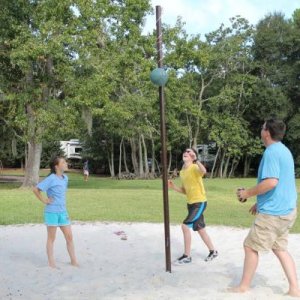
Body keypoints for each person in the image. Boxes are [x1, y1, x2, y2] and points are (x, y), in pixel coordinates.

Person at [231, 118, 300, 297]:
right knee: (280, 249)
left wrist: (247, 194)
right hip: (287, 211)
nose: (261, 130)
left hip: (274, 214)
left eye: (262, 127)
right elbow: (282, 182)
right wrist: (259, 202)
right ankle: (294, 289)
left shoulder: (271, 152)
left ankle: (243, 287)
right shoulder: (284, 150)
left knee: (250, 247)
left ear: (267, 132)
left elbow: (271, 182)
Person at [168, 148, 218, 265]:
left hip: (199, 202)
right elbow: (185, 190)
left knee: (185, 226)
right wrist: (173, 187)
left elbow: (204, 171)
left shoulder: (195, 167)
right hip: (191, 204)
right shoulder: (182, 172)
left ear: (193, 156)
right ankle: (213, 251)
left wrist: (197, 160)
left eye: (189, 152)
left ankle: (187, 256)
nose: (186, 153)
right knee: (200, 229)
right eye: (185, 151)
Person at [32, 157, 79, 268]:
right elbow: (36, 189)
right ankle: (52, 263)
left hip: (63, 212)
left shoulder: (65, 178)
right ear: (56, 166)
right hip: (52, 212)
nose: (66, 163)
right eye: (63, 162)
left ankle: (73, 261)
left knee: (69, 237)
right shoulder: (51, 178)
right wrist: (44, 200)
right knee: (51, 238)